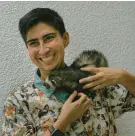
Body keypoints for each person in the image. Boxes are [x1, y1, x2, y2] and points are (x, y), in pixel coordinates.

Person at [1, 8, 135, 136]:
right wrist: (62, 123)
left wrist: (123, 76)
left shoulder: (94, 81)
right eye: (33, 43)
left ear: (65, 39)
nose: (43, 50)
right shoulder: (19, 102)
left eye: (49, 38)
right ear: (28, 49)